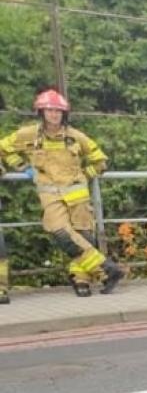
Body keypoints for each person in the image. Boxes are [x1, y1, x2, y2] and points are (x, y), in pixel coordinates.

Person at [0, 89, 125, 300]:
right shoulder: (29, 134)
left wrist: (84, 175)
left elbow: (100, 161)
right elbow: (3, 148)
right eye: (49, 110)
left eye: (58, 111)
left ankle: (82, 280)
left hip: (78, 196)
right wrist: (23, 167)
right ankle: (106, 268)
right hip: (51, 196)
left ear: (64, 114)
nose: (54, 114)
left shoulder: (76, 137)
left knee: (83, 236)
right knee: (63, 235)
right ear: (41, 112)